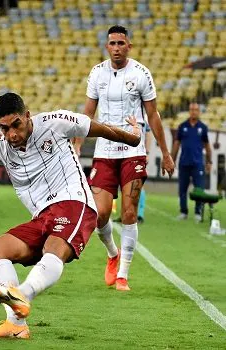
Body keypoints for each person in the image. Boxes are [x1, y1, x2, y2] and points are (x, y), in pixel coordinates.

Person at [0, 92, 141, 339]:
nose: (12, 134)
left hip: (74, 204)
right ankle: (16, 324)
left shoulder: (55, 122)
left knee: (54, 248)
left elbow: (99, 128)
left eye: (16, 125)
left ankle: (23, 293)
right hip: (41, 216)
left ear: (28, 116)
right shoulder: (1, 148)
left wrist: (133, 138)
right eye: (5, 128)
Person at [73, 25, 175, 291]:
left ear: (129, 46)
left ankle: (123, 275)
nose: (116, 47)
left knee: (129, 212)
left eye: (121, 43)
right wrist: (77, 145)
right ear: (107, 46)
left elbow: (153, 115)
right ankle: (112, 254)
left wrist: (165, 153)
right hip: (105, 151)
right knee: (100, 215)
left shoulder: (141, 73)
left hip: (133, 150)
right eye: (112, 43)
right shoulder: (97, 73)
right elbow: (87, 113)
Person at [171, 102, 212, 222]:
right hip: (184, 163)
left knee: (199, 189)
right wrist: (171, 159)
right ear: (189, 111)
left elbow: (207, 146)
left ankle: (198, 213)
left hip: (198, 163)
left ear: (199, 112)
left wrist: (209, 161)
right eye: (191, 110)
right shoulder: (182, 126)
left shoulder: (203, 128)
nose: (193, 112)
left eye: (196, 110)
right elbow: (176, 144)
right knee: (182, 189)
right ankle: (183, 212)